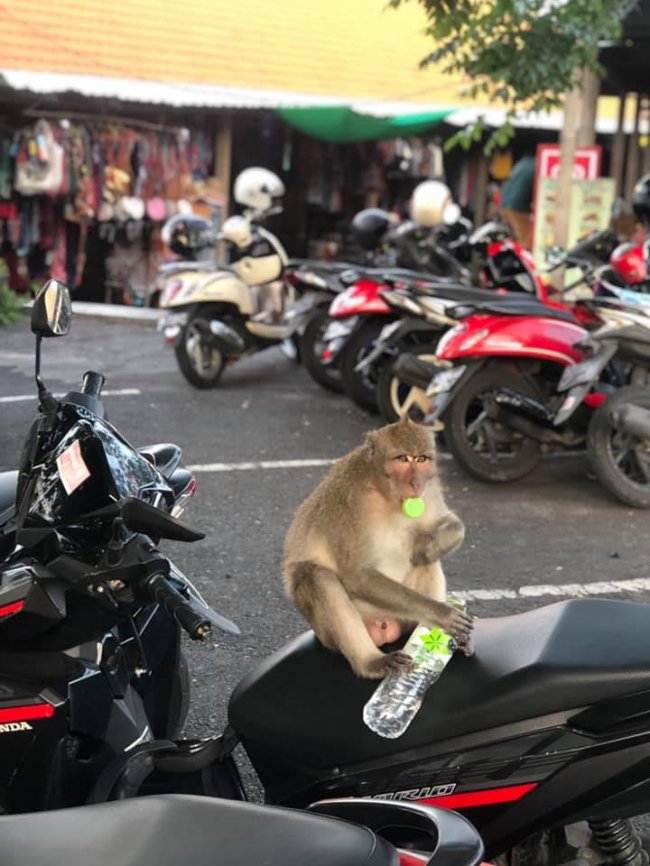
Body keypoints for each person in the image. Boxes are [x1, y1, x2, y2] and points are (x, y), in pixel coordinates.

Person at [500, 155, 536, 250]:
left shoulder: (523, 162)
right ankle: (523, 262)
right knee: (525, 239)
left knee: (514, 237)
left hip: (504, 204)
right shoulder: (538, 166)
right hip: (517, 207)